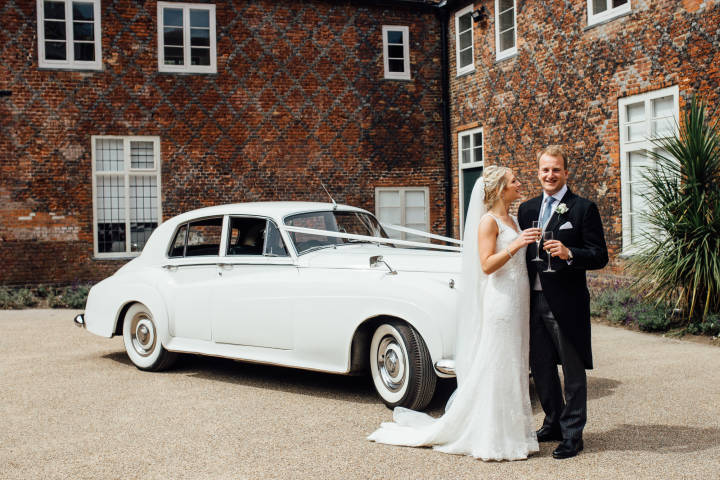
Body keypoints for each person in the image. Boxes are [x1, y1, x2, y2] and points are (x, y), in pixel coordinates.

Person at [367, 166, 540, 461]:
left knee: (514, 363)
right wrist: (516, 245)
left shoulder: (512, 217)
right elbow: (486, 265)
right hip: (501, 301)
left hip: (519, 298)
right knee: (498, 363)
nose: (520, 184)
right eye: (514, 181)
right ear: (500, 189)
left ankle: (515, 433)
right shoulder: (488, 222)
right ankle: (492, 437)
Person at [517, 145, 608, 459]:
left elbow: (599, 256)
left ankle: (573, 435)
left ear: (566, 172)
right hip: (533, 300)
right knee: (541, 368)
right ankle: (553, 421)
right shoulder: (527, 209)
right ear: (538, 172)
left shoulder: (583, 209)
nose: (550, 175)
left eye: (556, 170)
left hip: (567, 303)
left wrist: (570, 254)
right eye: (545, 170)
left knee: (571, 371)